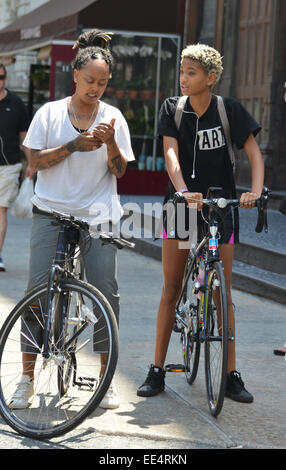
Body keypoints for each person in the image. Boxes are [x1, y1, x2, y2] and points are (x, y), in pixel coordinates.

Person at [9, 29, 135, 410]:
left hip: (97, 215)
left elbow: (120, 171)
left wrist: (110, 141)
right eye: (89, 80)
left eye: (102, 82)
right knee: (37, 292)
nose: (95, 88)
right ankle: (26, 378)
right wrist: (75, 146)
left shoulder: (113, 118)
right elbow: (34, 162)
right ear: (75, 75)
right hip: (51, 212)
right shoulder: (49, 113)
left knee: (104, 291)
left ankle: (104, 379)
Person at [137, 43, 264, 403]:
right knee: (171, 287)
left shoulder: (229, 111)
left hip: (220, 207)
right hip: (180, 207)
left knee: (223, 292)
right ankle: (157, 370)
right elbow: (170, 153)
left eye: (191, 73)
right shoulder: (172, 110)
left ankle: (231, 375)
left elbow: (253, 153)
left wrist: (254, 191)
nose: (183, 78)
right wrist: (182, 190)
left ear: (210, 78)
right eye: (182, 71)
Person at [0, 62, 32, 272]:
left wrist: (31, 163)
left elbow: (25, 137)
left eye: (1, 77)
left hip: (9, 165)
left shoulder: (16, 103)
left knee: (1, 209)